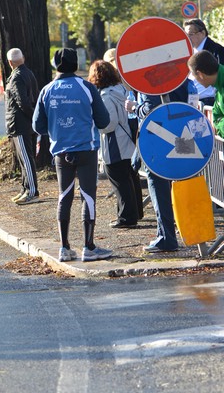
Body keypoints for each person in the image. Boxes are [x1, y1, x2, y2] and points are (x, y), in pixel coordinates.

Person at [33, 47, 112, 262]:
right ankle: (89, 247)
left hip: (61, 151)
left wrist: (57, 127)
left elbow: (37, 126)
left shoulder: (47, 90)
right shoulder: (87, 88)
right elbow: (104, 121)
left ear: (54, 65)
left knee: (64, 196)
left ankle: (64, 248)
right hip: (86, 149)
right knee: (88, 197)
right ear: (76, 64)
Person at [125, 79, 197, 253]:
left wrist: (134, 108)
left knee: (159, 188)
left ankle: (166, 237)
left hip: (158, 143)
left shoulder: (150, 81)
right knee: (183, 183)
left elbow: (152, 109)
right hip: (183, 137)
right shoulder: (183, 80)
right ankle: (191, 233)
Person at [88, 59, 140, 229]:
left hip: (114, 144)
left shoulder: (105, 96)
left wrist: (95, 124)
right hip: (128, 141)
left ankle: (126, 217)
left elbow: (109, 124)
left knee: (119, 180)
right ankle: (136, 212)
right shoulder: (121, 90)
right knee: (131, 178)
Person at [5, 47, 40, 205]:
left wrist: (32, 118)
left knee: (26, 159)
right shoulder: (29, 73)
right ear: (23, 58)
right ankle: (25, 188)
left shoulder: (16, 77)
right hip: (26, 123)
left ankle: (32, 191)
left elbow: (22, 102)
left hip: (20, 123)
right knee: (25, 158)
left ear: (10, 62)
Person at [183, 18, 224, 107]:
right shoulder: (188, 52)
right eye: (185, 35)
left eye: (190, 34)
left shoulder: (216, 50)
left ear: (202, 33)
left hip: (211, 101)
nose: (187, 38)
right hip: (194, 101)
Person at [188, 50, 224, 138]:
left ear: (200, 74)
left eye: (193, 75)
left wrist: (218, 126)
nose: (195, 80)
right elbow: (217, 115)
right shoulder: (219, 87)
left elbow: (217, 120)